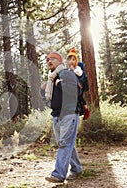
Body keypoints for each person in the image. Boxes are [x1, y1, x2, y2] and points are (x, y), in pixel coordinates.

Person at [41, 51, 82, 183]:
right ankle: (76, 169)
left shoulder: (66, 73)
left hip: (69, 114)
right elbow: (51, 99)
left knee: (65, 143)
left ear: (60, 61)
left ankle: (58, 174)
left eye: (52, 59)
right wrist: (44, 90)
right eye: (47, 60)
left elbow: (75, 90)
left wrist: (59, 83)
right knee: (66, 143)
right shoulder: (52, 78)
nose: (49, 61)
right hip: (57, 115)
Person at [66, 48, 91, 120]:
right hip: (70, 87)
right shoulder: (67, 69)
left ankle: (86, 110)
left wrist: (73, 69)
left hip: (77, 86)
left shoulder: (77, 67)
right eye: (70, 60)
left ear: (76, 61)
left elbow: (80, 73)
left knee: (80, 97)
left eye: (73, 60)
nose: (71, 61)